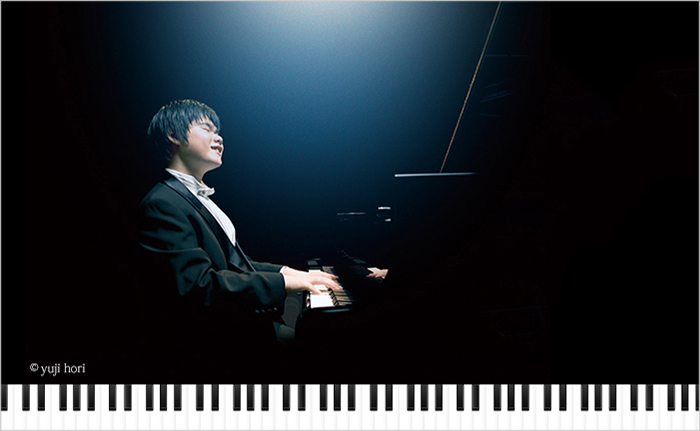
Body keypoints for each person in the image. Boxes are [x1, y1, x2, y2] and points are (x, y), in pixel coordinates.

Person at [137, 99, 341, 381]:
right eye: (207, 128)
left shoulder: (194, 199)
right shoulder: (162, 203)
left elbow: (235, 264)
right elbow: (199, 286)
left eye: (218, 131)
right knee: (331, 348)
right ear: (174, 135)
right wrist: (285, 284)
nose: (219, 137)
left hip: (237, 329)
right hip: (214, 347)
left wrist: (292, 273)